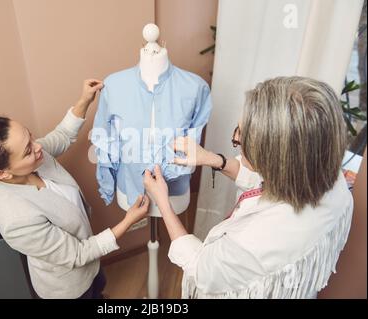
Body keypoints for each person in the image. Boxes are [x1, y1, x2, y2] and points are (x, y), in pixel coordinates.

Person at [143, 76, 353, 298]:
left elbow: (202, 269)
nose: (235, 139)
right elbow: (267, 184)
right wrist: (213, 159)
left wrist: (163, 202)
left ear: (275, 157)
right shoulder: (334, 184)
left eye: (242, 138)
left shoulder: (255, 241)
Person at [0, 79, 150, 299]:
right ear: (2, 174)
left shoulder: (33, 156)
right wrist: (129, 221)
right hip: (70, 287)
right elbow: (77, 254)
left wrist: (84, 100)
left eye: (30, 136)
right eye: (28, 150)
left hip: (92, 264)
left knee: (98, 288)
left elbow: (61, 136)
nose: (38, 147)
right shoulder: (15, 220)